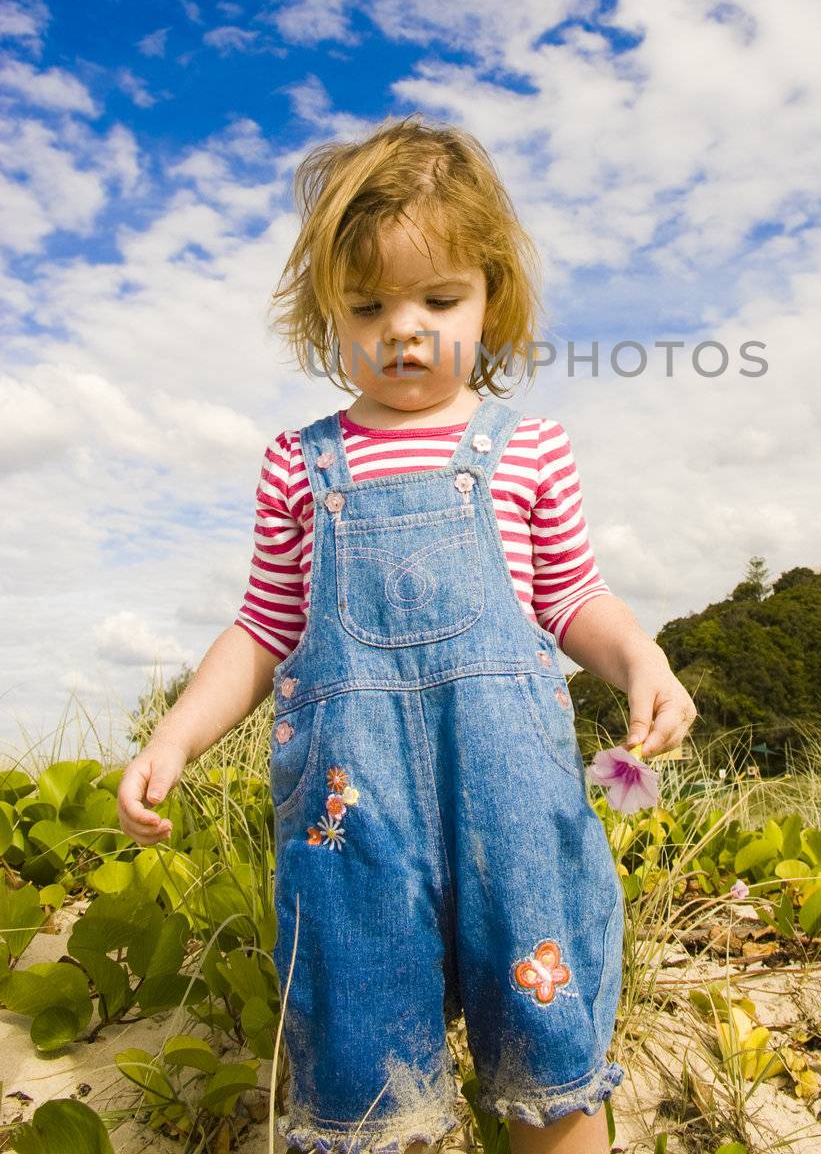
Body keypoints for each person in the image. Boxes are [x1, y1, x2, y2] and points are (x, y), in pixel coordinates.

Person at [117, 113, 698, 1154]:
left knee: (554, 1074)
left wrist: (642, 658)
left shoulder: (527, 450)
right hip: (356, 828)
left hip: (513, 815)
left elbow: (571, 599)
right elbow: (262, 626)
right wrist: (175, 737)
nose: (406, 328)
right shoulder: (301, 464)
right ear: (326, 317)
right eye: (368, 304)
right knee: (369, 1088)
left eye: (440, 299)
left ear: (493, 298)